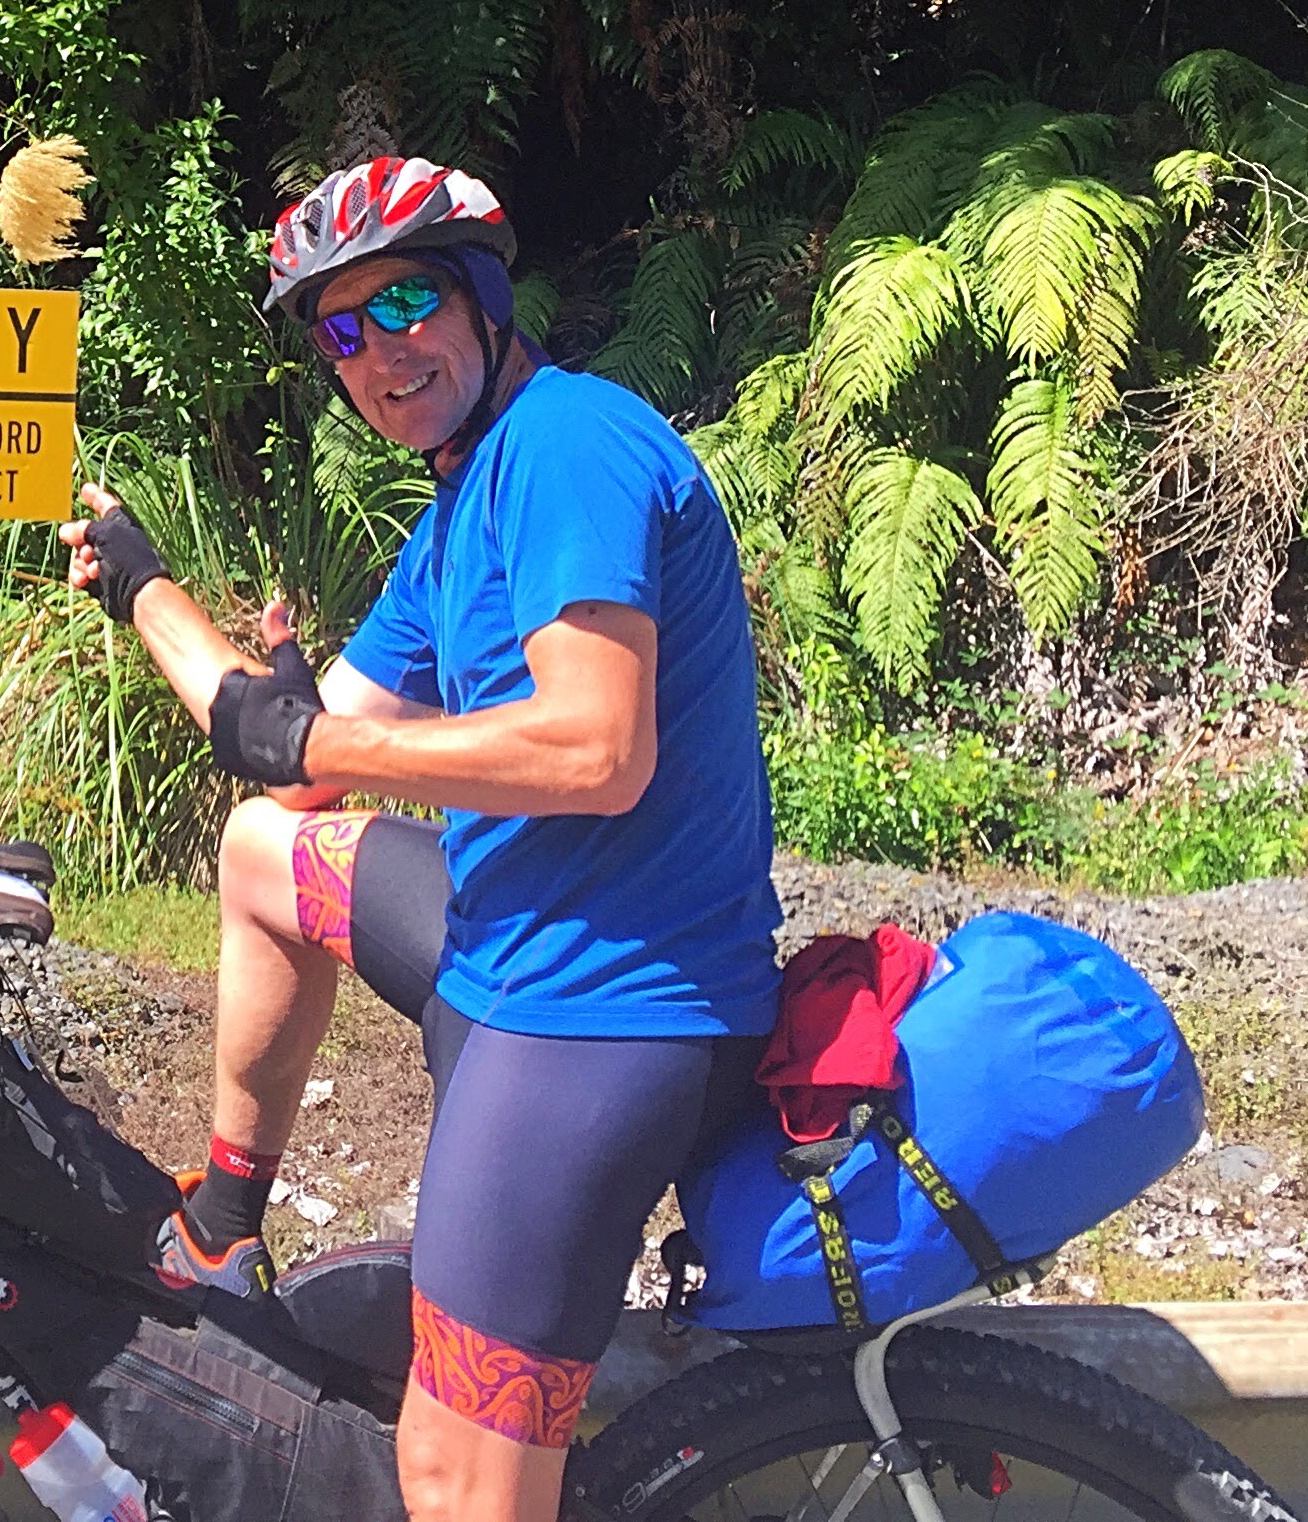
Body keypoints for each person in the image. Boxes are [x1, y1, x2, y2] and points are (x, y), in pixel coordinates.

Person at [60, 155, 781, 1522]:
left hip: (604, 1017)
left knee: (452, 1483)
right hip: (505, 943)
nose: (379, 354)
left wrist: (316, 746)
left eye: (406, 306)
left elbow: (596, 748)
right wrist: (146, 588)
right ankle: (222, 1228)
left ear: (485, 301)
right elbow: (286, 746)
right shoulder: (457, 513)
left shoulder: (568, 447)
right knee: (265, 851)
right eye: (343, 331)